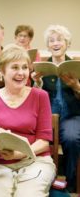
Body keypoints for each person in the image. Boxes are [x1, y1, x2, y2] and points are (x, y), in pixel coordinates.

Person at [0, 44, 56, 197]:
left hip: (35, 160)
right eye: (14, 67)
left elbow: (44, 141)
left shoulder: (41, 96)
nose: (21, 73)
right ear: (2, 71)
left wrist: (20, 154)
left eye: (25, 67)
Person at [32, 25, 80, 193]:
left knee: (72, 138)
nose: (55, 43)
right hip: (47, 117)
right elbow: (35, 98)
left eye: (59, 40)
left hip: (72, 115)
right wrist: (37, 83)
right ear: (48, 45)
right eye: (51, 41)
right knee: (33, 137)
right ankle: (41, 179)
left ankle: (70, 180)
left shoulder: (76, 65)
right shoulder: (42, 66)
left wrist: (76, 86)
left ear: (67, 43)